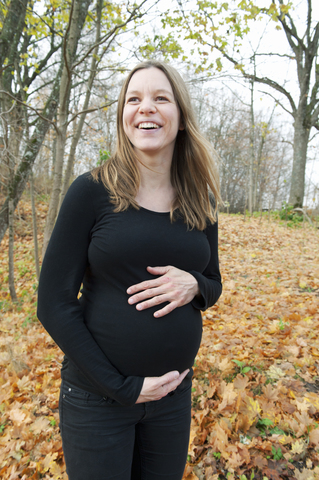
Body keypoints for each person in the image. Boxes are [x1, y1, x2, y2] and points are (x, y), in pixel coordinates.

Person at [37, 60, 222, 480]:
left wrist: (195, 284)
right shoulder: (92, 191)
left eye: (160, 98)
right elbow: (52, 305)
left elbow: (214, 284)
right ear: (123, 115)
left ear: (180, 115)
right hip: (98, 402)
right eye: (134, 99)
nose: (146, 108)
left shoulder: (200, 199)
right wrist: (123, 388)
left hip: (173, 398)